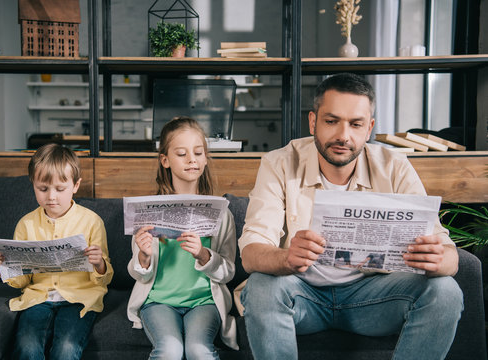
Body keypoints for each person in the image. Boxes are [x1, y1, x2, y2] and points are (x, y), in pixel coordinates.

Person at [237, 73, 463, 360]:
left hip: (374, 297)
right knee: (260, 286)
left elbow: (450, 254)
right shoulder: (279, 163)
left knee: (445, 291)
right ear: (313, 122)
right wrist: (286, 259)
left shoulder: (395, 166)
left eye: (355, 124)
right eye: (331, 121)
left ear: (368, 128)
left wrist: (436, 259)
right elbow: (251, 252)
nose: (343, 135)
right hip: (303, 294)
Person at [0, 143, 113, 360]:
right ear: (33, 185)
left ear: (75, 185)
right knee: (26, 346)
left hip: (80, 298)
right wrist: (3, 267)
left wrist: (99, 263)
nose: (51, 197)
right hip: (38, 298)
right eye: (43, 189)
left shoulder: (92, 221)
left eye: (60, 189)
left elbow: (103, 280)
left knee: (66, 348)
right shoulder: (26, 224)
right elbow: (23, 282)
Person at [127, 116, 238, 359]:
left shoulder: (222, 213)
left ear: (206, 158)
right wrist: (144, 256)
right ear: (165, 160)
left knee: (199, 350)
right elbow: (137, 273)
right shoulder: (148, 211)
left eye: (198, 152)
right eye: (182, 153)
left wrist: (204, 254)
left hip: (204, 302)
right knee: (169, 349)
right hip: (158, 302)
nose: (192, 159)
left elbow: (228, 272)